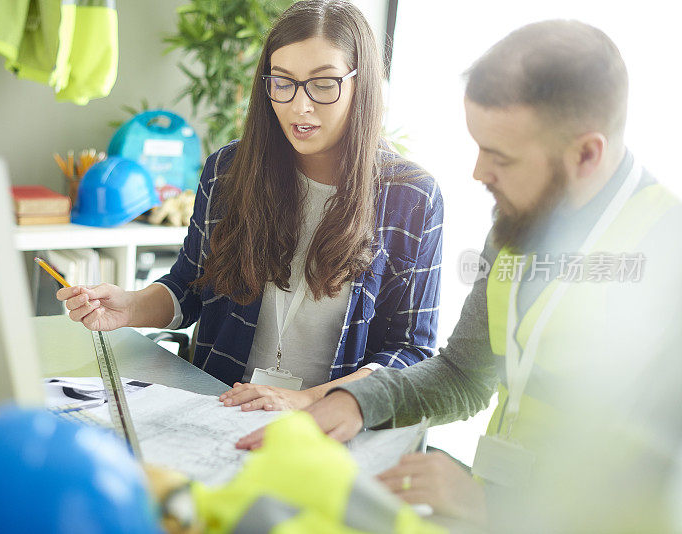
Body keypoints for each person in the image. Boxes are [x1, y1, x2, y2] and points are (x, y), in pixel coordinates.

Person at [238, 19, 682, 530]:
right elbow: (464, 376)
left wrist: (498, 507)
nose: (478, 173)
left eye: (500, 156)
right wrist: (353, 401)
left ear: (586, 154)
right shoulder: (522, 218)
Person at [57, 0, 442, 412]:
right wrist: (130, 306)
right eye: (282, 82)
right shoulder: (229, 171)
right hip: (221, 411)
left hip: (328, 432)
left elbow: (410, 351)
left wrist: (304, 401)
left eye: (324, 83)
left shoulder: (412, 197)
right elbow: (190, 286)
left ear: (361, 83)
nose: (300, 106)